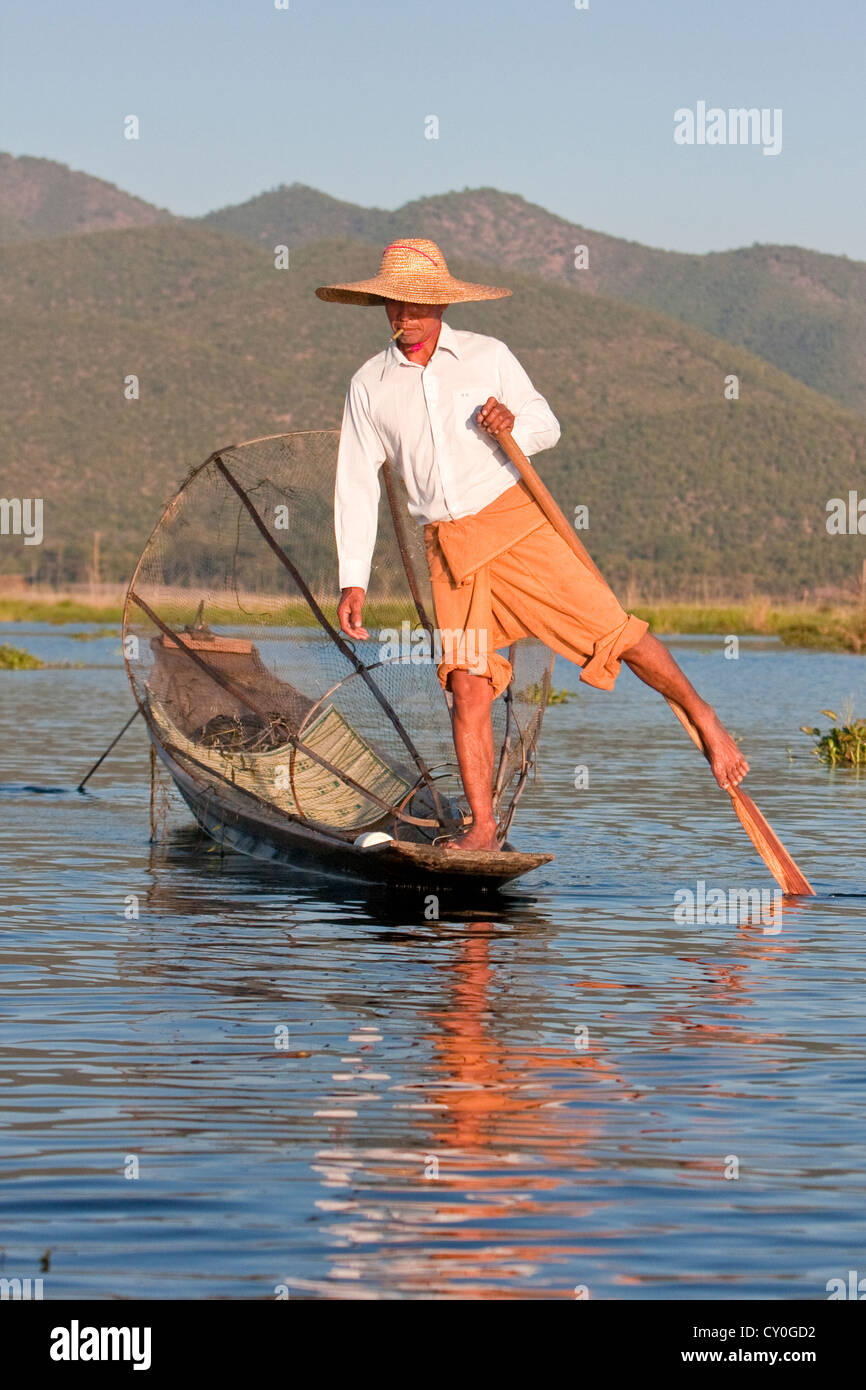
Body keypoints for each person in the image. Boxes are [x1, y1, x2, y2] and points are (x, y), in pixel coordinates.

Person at [317, 239, 748, 852]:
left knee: (612, 631)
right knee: (467, 686)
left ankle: (703, 716)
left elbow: (547, 423)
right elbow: (356, 480)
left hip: (519, 525)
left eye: (414, 307)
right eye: (392, 307)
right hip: (450, 552)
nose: (403, 321)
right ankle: (483, 829)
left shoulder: (487, 357)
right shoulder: (370, 383)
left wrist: (511, 424)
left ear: (440, 303)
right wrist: (352, 578)